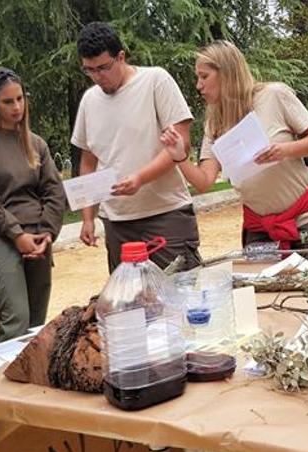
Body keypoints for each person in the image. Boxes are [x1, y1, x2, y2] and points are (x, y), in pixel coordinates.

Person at [161, 40, 308, 258]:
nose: (198, 85)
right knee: (263, 292)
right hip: (259, 229)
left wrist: (284, 150)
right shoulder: (213, 124)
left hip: (307, 219)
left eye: (204, 76)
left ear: (227, 72)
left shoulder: (274, 95)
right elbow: (204, 182)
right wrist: (179, 157)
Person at [72, 22, 202, 271]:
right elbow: (88, 162)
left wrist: (140, 178)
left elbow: (181, 141)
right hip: (117, 222)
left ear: (121, 56)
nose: (98, 77)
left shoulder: (155, 80)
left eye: (103, 68)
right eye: (89, 70)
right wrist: (87, 217)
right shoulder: (89, 100)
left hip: (166, 213)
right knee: (128, 305)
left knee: (181, 295)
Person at [0, 68, 66, 344]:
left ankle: (27, 380)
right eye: (8, 101)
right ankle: (1, 384)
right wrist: (16, 234)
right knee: (16, 322)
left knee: (35, 325)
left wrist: (47, 232)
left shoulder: (36, 144)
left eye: (20, 98)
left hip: (39, 238)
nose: (17, 107)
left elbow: (54, 192)